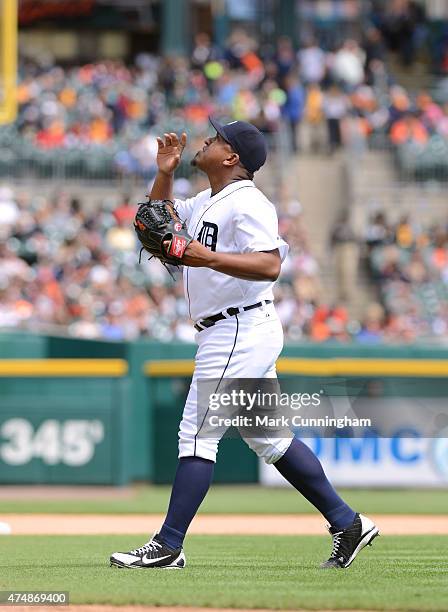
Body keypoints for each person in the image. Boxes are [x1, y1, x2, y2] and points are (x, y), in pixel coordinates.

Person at [110, 118, 378, 570]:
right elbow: (158, 223)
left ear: (232, 157)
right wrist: (165, 173)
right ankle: (346, 522)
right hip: (230, 328)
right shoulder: (207, 200)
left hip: (238, 326)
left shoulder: (249, 201)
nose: (207, 140)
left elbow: (270, 264)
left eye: (216, 139)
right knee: (269, 438)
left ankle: (168, 545)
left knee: (197, 434)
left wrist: (203, 256)